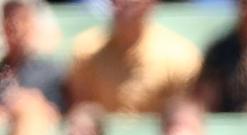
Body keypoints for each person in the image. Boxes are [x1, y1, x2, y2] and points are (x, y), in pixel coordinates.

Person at [66, 0, 201, 113]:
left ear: (152, 3)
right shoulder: (87, 51)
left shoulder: (180, 56)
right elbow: (80, 112)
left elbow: (183, 117)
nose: (124, 3)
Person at [0, 0, 63, 135]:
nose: (13, 25)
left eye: (20, 18)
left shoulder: (49, 71)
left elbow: (57, 115)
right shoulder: (2, 69)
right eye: (8, 18)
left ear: (31, 24)